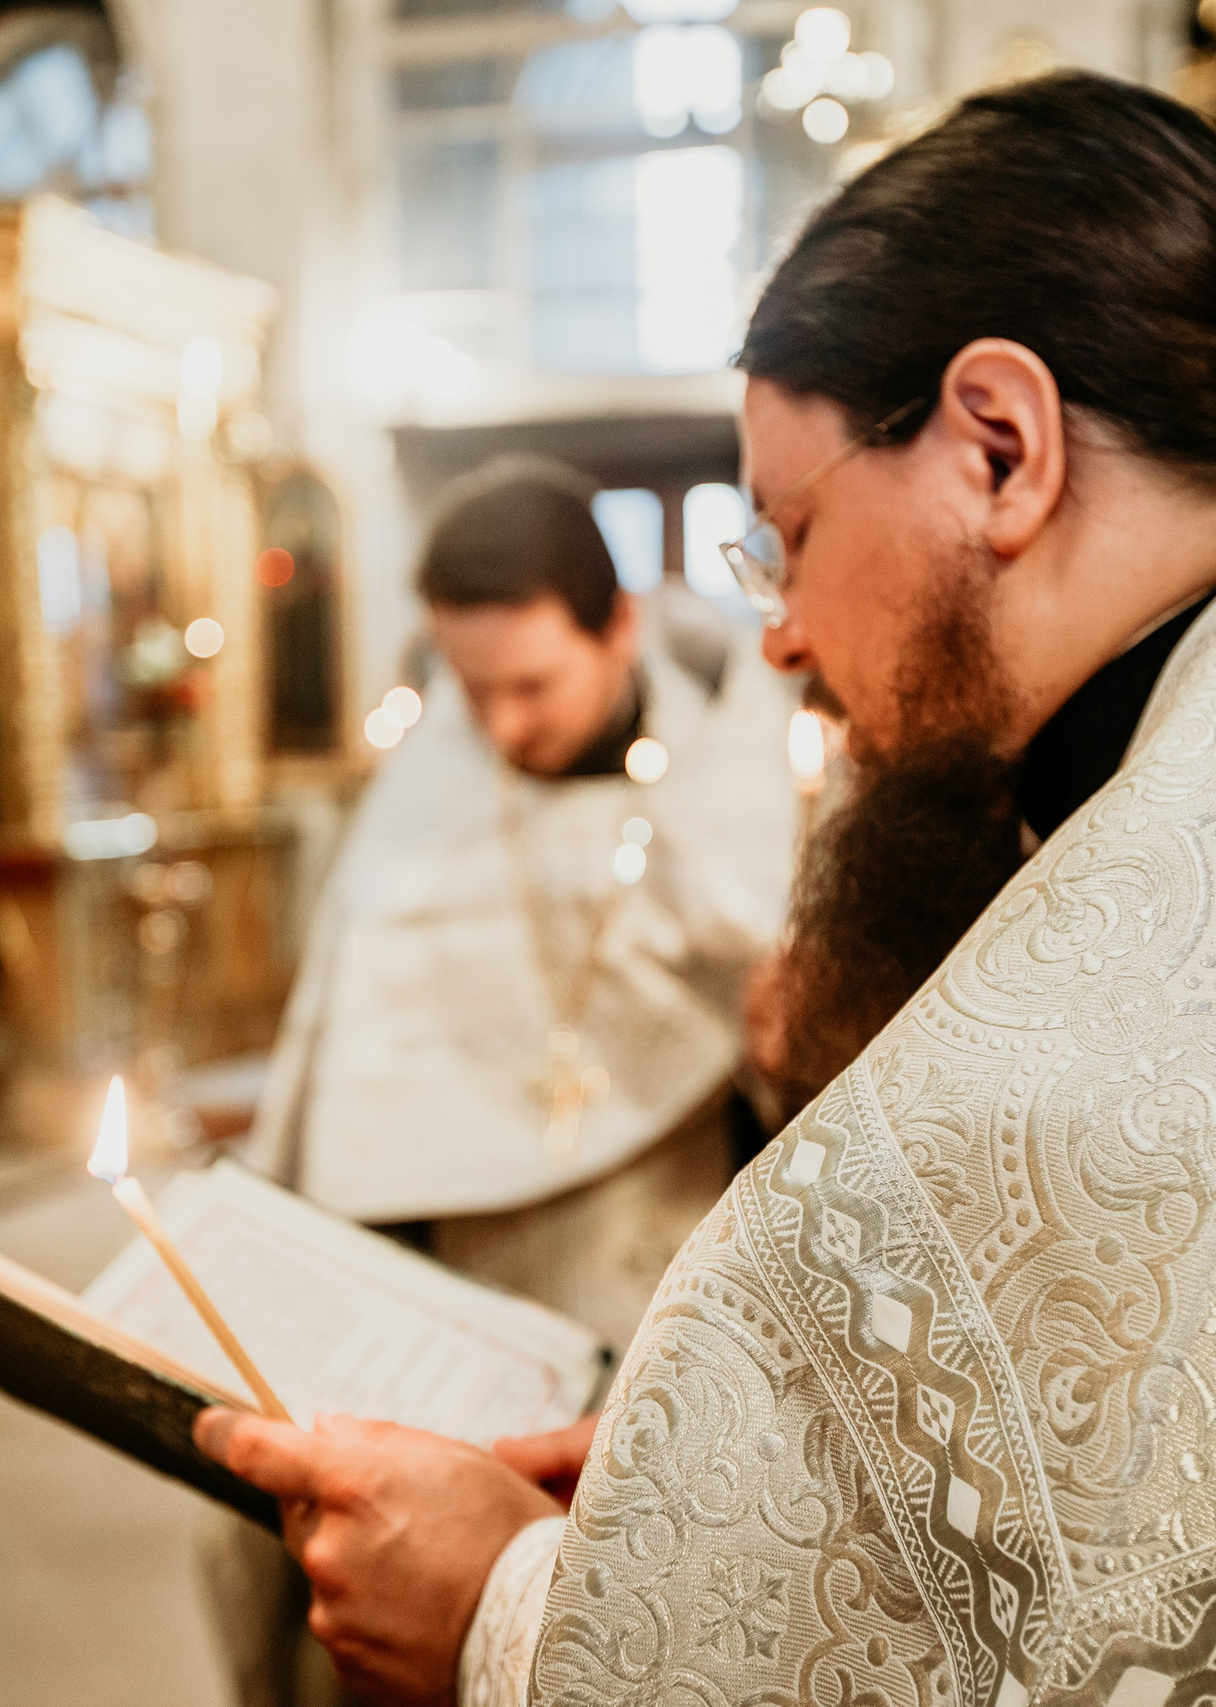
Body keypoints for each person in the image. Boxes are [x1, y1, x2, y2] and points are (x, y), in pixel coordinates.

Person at [200, 73, 1216, 1705]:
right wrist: (698, 1501)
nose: (777, 630)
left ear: (999, 445)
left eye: (785, 533)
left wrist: (505, 1611)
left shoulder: (1118, 1016)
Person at [208, 455, 795, 1707]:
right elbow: (347, 1057)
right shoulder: (432, 797)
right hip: (456, 1285)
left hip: (655, 1276)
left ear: (617, 626)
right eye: (471, 691)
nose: (504, 727)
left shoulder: (729, 792)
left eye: (532, 684)